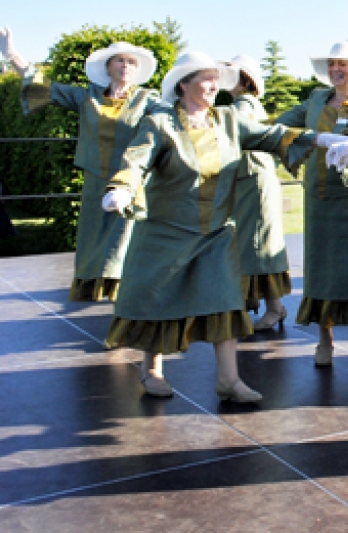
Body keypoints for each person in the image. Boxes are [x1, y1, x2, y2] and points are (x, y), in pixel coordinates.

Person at [101, 52, 323, 401]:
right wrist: (122, 188)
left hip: (216, 230)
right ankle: (151, 369)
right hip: (168, 229)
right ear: (184, 85)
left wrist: (321, 140)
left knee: (225, 300)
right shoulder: (159, 123)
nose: (214, 84)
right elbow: (136, 159)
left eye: (216, 77)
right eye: (206, 77)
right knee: (159, 299)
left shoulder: (229, 121)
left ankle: (228, 380)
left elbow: (273, 134)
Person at [6, 28, 165, 302]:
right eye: (120, 60)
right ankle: (92, 287)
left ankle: (123, 291)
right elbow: (46, 88)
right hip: (95, 177)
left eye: (131, 62)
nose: (125, 66)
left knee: (123, 235)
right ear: (108, 67)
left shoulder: (147, 100)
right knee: (92, 234)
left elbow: (174, 120)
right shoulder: (87, 97)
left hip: (130, 178)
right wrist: (11, 54)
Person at [274, 41, 348, 368]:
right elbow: (282, 125)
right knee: (321, 268)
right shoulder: (315, 100)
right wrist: (303, 138)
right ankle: (325, 341)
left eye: (343, 64)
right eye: (332, 64)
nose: (336, 69)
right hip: (321, 196)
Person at [227, 55, 292, 331]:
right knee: (254, 244)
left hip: (253, 180)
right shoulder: (241, 104)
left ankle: (275, 308)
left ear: (243, 79)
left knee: (259, 245)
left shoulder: (242, 105)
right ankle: (257, 301)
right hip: (250, 179)